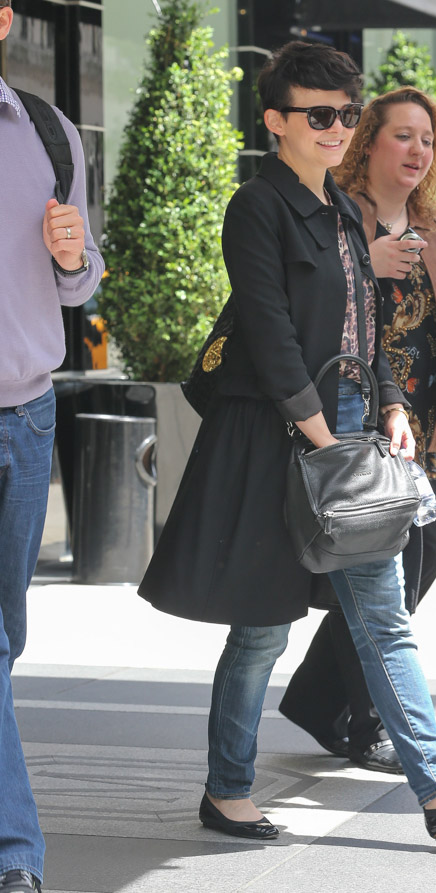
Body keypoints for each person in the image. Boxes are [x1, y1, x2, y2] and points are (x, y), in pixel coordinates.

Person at [139, 40, 436, 842]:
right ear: (277, 120)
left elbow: (371, 327)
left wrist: (387, 406)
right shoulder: (257, 206)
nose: (337, 128)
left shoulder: (345, 211)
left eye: (347, 114)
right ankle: (227, 788)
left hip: (348, 430)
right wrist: (322, 435)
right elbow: (273, 333)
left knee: (382, 616)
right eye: (320, 115)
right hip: (277, 436)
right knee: (265, 624)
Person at [279, 87, 436, 774]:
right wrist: (370, 260)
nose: (418, 150)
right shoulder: (341, 217)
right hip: (363, 427)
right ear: (369, 142)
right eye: (403, 136)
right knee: (389, 577)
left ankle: (316, 696)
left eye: (428, 139)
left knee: (427, 563)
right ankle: (360, 720)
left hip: (419, 432)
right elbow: (311, 298)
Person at [0, 3, 105, 891]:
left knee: (7, 635)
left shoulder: (47, 129)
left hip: (29, 414)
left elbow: (81, 281)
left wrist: (73, 257)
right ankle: (16, 857)